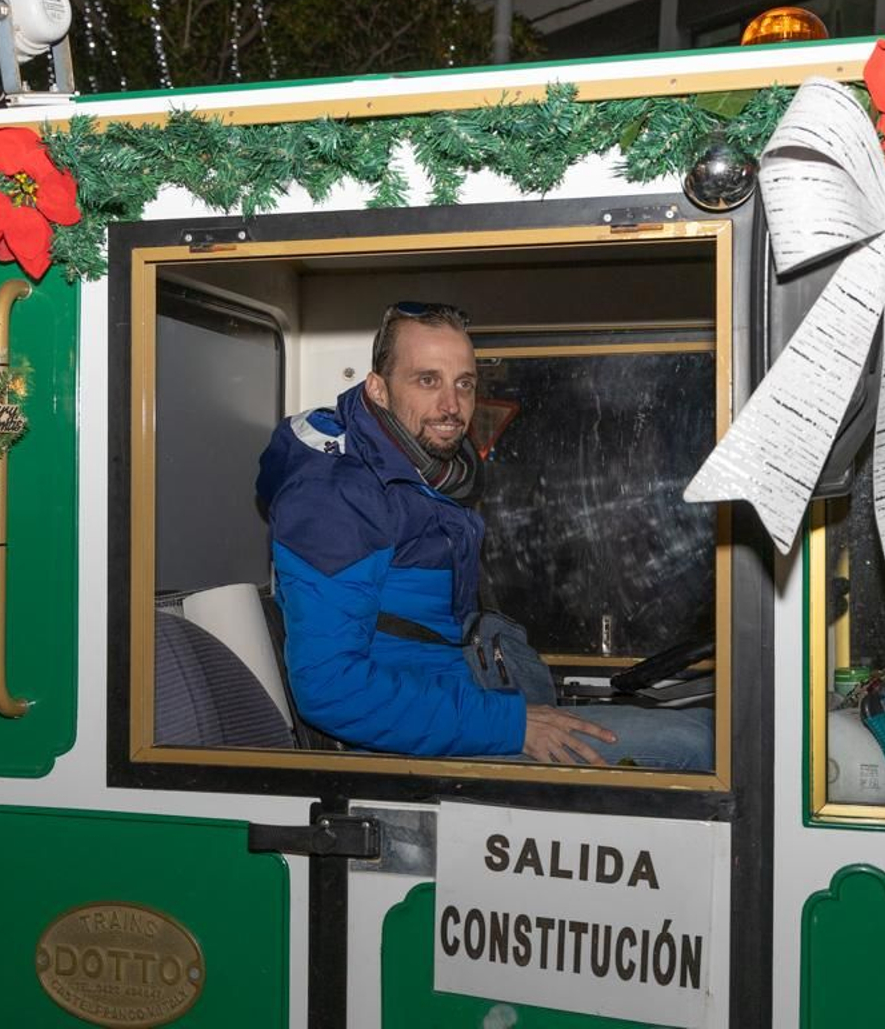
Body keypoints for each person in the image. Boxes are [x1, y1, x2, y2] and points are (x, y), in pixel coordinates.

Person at [255, 302, 713, 768]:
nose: (452, 406)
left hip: (460, 712)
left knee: (709, 727)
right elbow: (331, 689)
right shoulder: (336, 496)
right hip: (405, 752)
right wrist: (511, 725)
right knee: (698, 747)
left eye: (464, 384)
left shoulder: (424, 478)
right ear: (378, 389)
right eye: (427, 380)